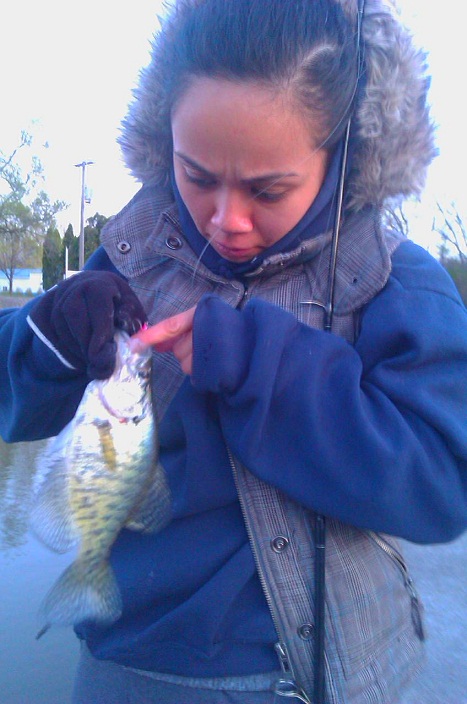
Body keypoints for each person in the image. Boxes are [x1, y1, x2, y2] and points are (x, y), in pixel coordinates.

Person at [1, 0, 466, 702]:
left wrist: (255, 364)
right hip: (129, 660)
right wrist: (52, 333)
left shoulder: (392, 282)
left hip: (306, 674)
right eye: (195, 175)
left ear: (341, 154)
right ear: (166, 141)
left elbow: (440, 485)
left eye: (266, 189)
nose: (226, 219)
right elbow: (12, 403)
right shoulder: (130, 255)